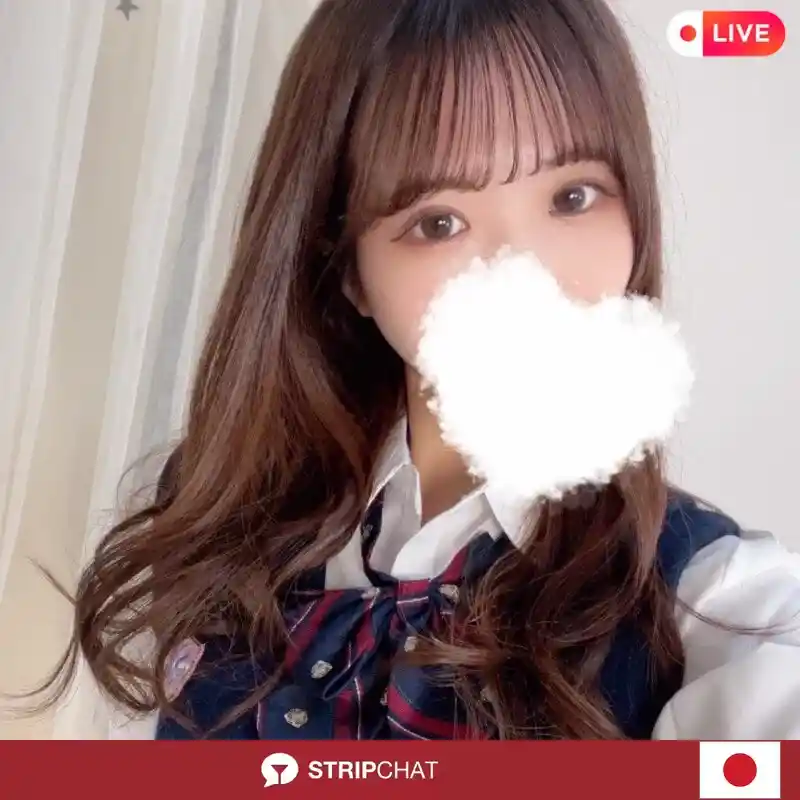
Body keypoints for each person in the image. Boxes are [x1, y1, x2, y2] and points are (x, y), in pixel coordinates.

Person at [40, 0, 800, 740]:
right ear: (349, 271)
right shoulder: (220, 514)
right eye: (439, 222)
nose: (525, 271)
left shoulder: (709, 596)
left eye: (573, 197)